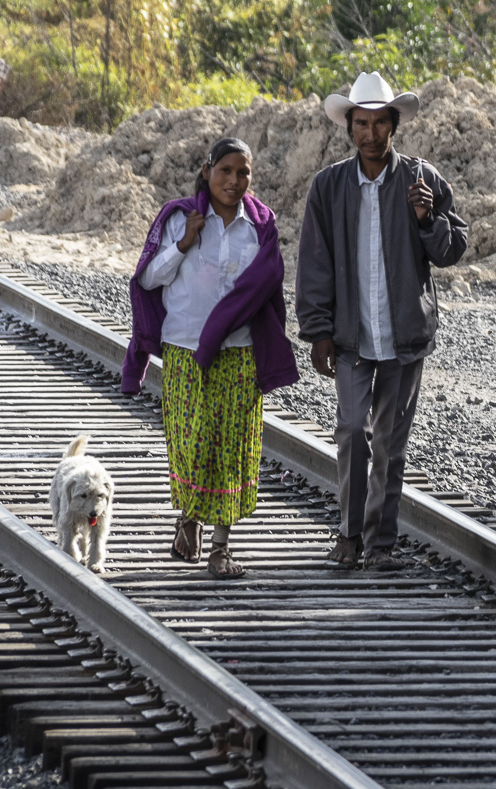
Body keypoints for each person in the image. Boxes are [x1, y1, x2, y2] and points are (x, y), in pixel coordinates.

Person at [296, 72, 469, 569]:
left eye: (379, 123)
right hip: (350, 337)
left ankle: (381, 546)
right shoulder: (329, 186)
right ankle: (348, 536)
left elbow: (452, 249)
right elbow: (314, 262)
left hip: (404, 336)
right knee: (353, 431)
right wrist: (318, 330)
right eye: (361, 124)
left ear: (394, 125)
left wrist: (426, 221)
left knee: (390, 443)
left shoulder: (422, 179)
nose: (370, 134)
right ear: (349, 127)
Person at [122, 137, 299, 578]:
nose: (234, 181)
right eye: (225, 171)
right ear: (207, 171)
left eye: (243, 173)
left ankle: (221, 546)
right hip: (184, 347)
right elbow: (146, 279)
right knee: (191, 439)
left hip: (239, 351)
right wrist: (183, 244)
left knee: (232, 446)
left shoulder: (259, 225)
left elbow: (268, 286)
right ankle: (188, 518)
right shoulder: (179, 217)